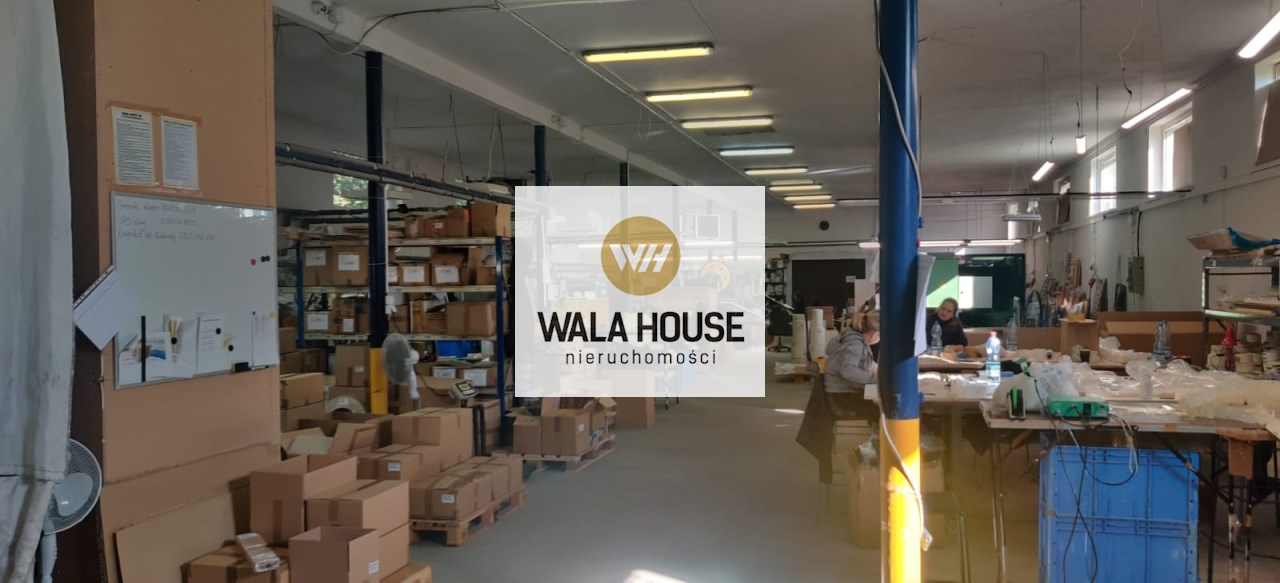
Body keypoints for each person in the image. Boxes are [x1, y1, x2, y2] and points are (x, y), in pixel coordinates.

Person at [796, 306, 880, 484]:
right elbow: (849, 371)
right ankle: (875, 461)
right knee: (884, 410)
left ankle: (875, 456)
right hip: (841, 400)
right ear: (874, 333)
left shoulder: (850, 336)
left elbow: (861, 363)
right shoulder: (855, 344)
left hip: (838, 395)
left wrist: (875, 369)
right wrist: (876, 380)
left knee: (881, 406)